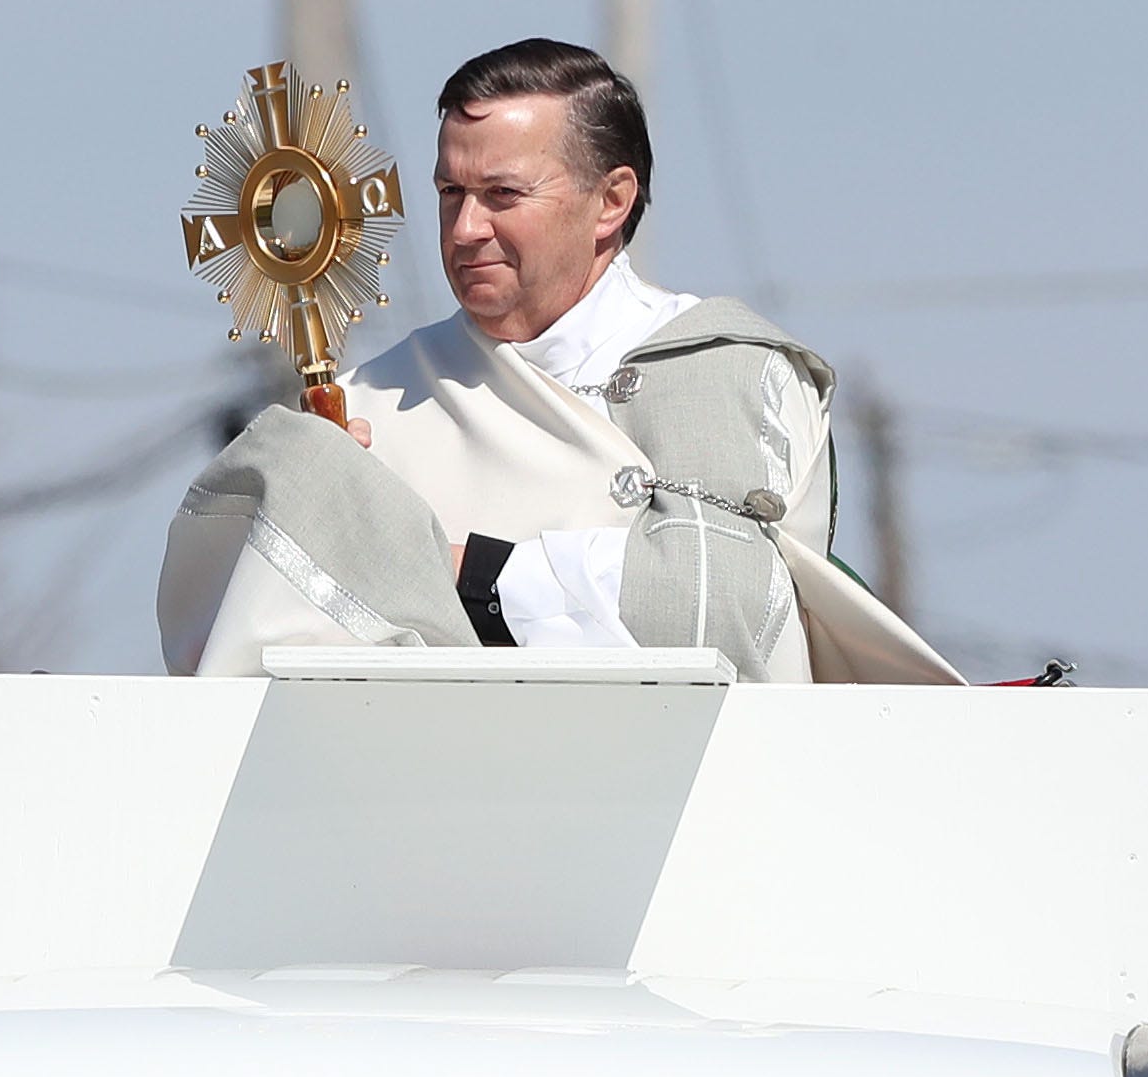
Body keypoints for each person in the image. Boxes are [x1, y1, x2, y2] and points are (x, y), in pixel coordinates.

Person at [159, 38, 951, 684]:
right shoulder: (371, 403)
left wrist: (473, 574)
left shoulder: (731, 373)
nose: (465, 228)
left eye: (503, 195)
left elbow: (722, 609)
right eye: (448, 193)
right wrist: (307, 496)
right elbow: (237, 651)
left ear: (610, 201)